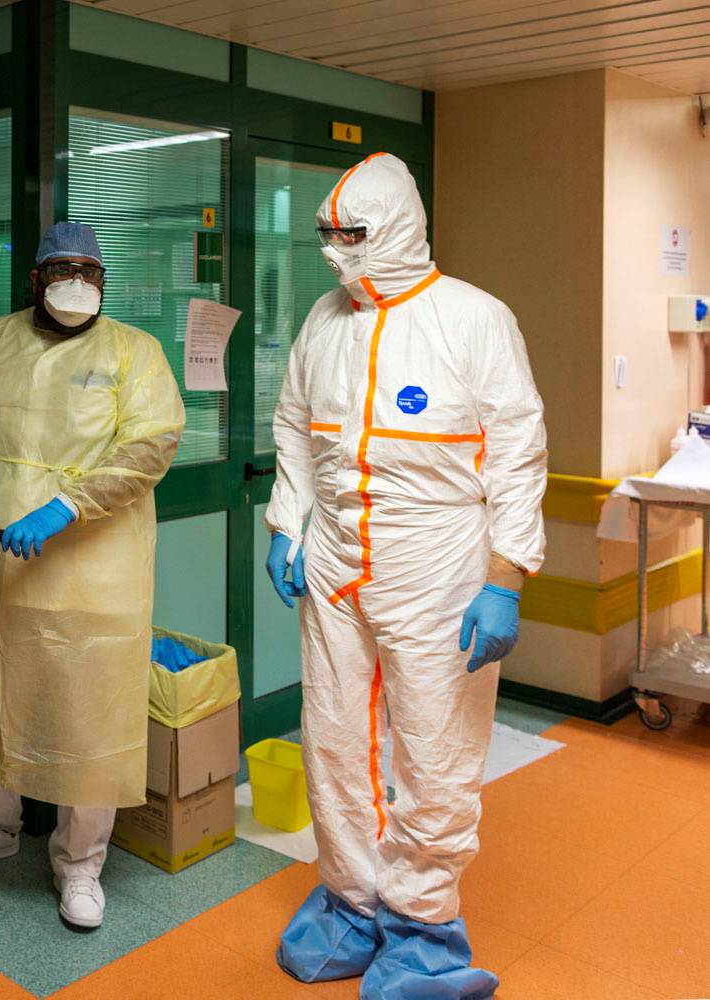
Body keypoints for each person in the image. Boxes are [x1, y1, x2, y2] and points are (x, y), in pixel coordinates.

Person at [264, 153, 545, 999]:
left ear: (397, 230)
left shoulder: (474, 319)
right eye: (325, 235)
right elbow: (292, 427)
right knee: (335, 742)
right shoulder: (324, 320)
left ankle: (424, 931)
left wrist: (507, 577)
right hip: (340, 560)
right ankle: (352, 903)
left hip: (440, 566)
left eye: (351, 236)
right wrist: (288, 523)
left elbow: (520, 457)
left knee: (433, 749)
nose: (333, 253)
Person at [0, 221, 185, 929]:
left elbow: (150, 444)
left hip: (94, 561)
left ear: (105, 280)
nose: (79, 281)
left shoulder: (136, 352)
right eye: (63, 268)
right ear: (37, 277)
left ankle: (80, 863)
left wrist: (67, 504)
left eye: (91, 271)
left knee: (90, 707)